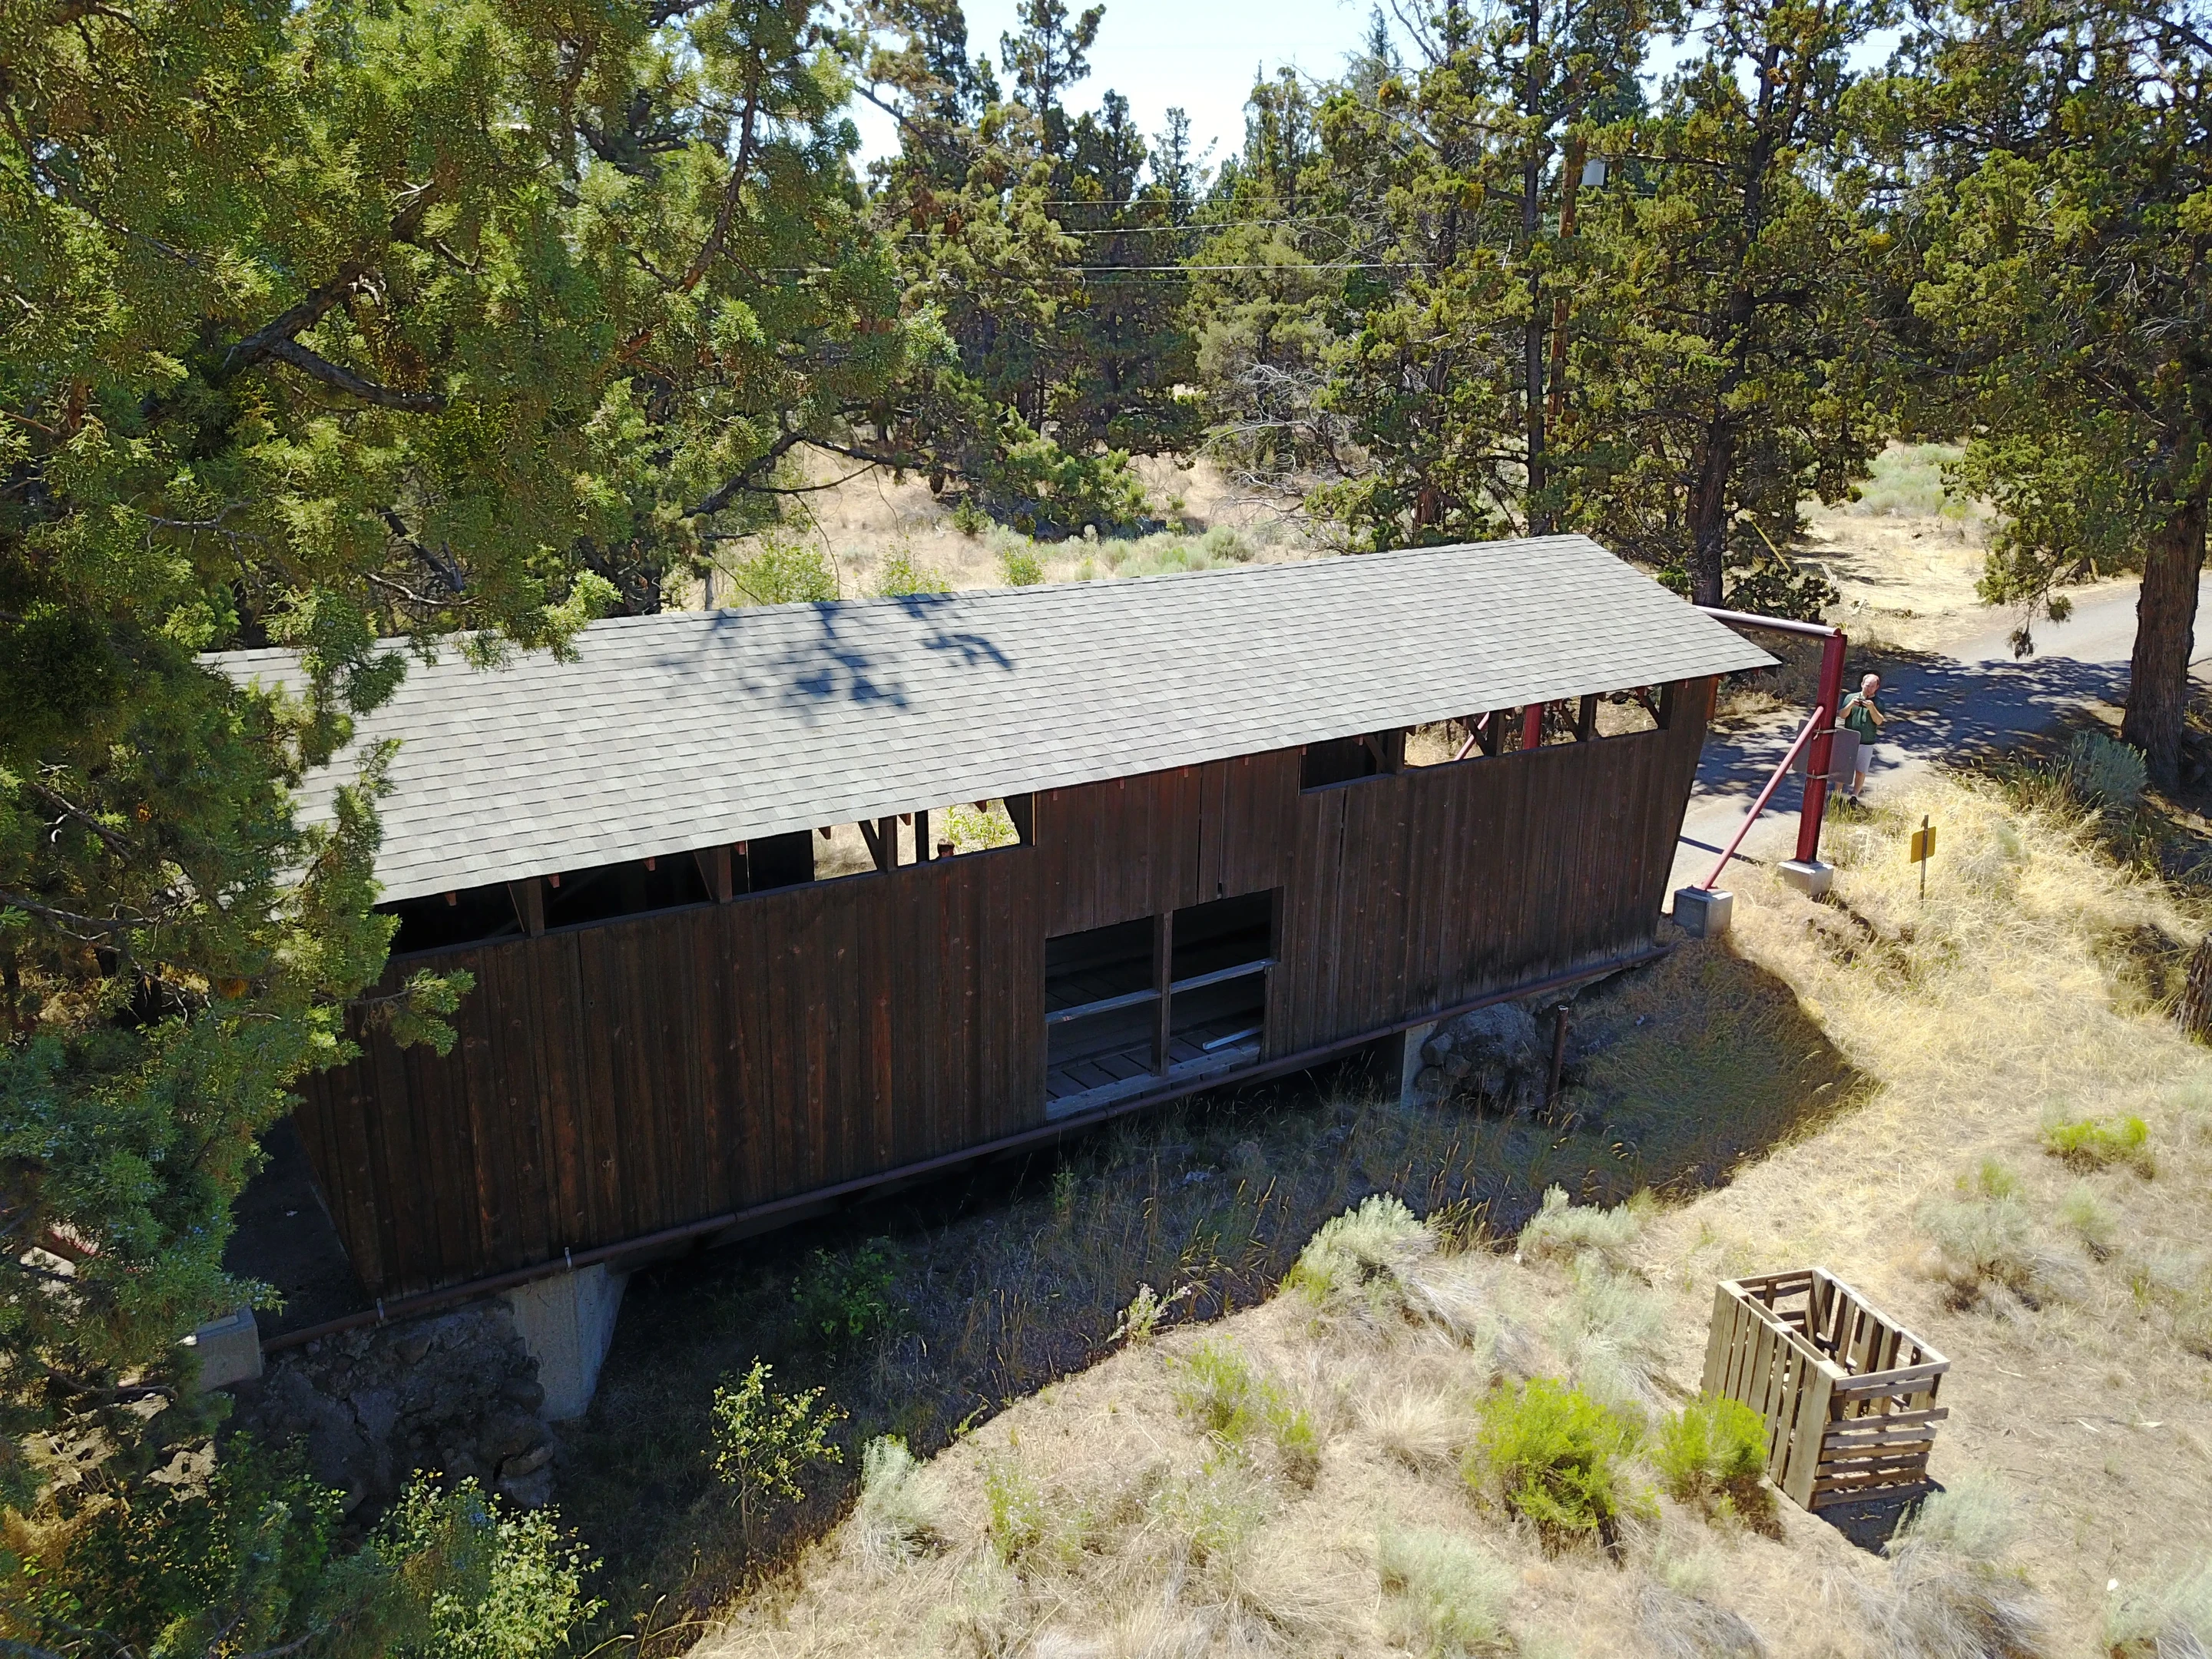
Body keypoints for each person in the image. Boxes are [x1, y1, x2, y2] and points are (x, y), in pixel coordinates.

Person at [1838, 672, 1887, 799]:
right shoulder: (1850, 697)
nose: (1869, 688)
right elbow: (1842, 715)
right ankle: (1837, 796)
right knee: (1842, 770)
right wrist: (1851, 705)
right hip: (1849, 739)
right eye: (1867, 685)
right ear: (1862, 684)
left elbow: (1879, 721)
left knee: (1861, 771)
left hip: (1867, 741)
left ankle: (1854, 796)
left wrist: (1872, 708)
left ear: (1877, 687)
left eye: (1872, 686)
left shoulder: (1879, 702)